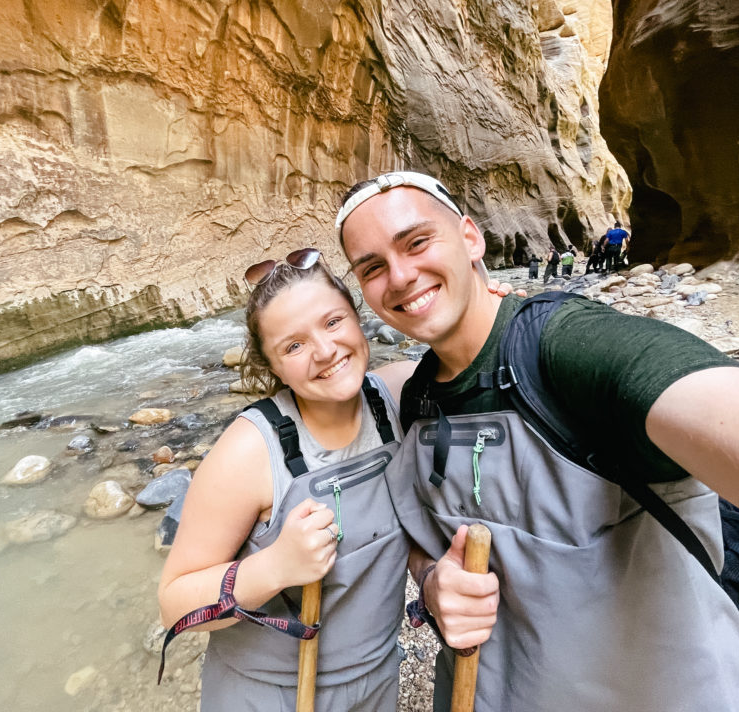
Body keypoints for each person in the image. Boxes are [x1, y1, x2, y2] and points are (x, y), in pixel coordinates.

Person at [335, 170, 739, 711]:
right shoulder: (417, 395)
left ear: (471, 237)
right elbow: (417, 521)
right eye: (372, 267)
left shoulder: (570, 348)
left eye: (417, 241)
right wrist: (429, 580)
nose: (399, 277)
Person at [156, 247, 515, 710]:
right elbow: (175, 606)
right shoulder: (248, 451)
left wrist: (491, 313)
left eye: (332, 322)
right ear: (272, 367)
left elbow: (480, 364)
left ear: (358, 316)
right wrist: (273, 568)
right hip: (270, 696)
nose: (325, 351)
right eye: (293, 345)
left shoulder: (399, 395)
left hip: (378, 681)